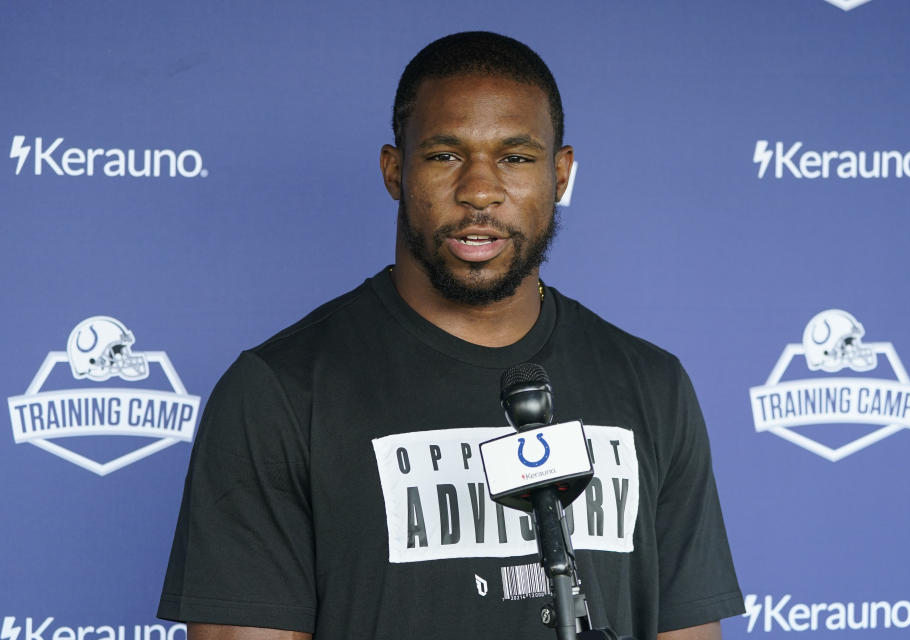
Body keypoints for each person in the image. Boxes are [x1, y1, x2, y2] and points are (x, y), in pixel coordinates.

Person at [158, 31, 744, 640]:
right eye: (445, 156)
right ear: (394, 170)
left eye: (515, 158)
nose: (480, 191)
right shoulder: (279, 391)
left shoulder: (651, 384)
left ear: (561, 173)